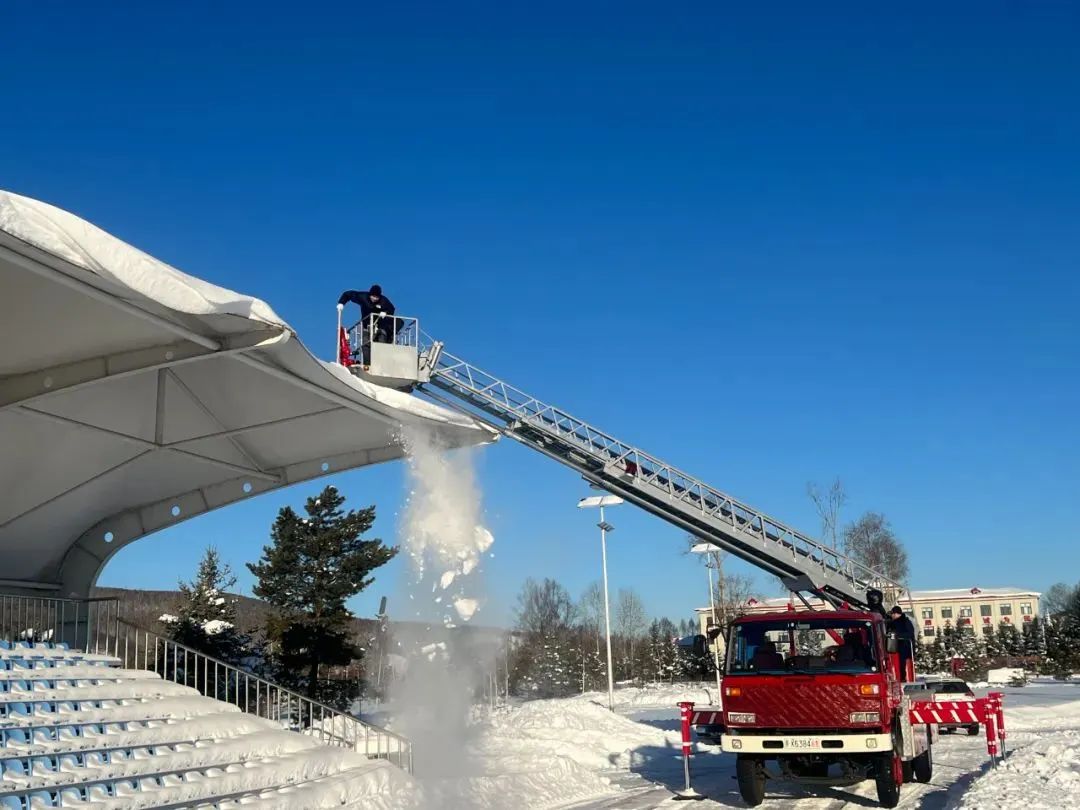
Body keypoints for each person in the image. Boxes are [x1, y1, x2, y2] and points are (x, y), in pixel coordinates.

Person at [337, 285, 397, 366]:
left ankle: (380, 363)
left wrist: (386, 312)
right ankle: (367, 364)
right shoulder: (363, 297)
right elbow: (348, 294)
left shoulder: (383, 301)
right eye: (373, 296)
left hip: (380, 326)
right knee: (365, 344)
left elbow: (391, 309)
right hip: (366, 326)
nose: (374, 299)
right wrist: (341, 303)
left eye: (376, 297)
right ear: (370, 295)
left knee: (381, 343)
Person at [888, 605, 916, 680]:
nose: (892, 615)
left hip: (904, 646)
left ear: (897, 614)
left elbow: (910, 634)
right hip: (895, 645)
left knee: (901, 661)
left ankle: (902, 677)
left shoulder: (905, 622)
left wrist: (897, 635)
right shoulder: (893, 623)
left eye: (893, 614)